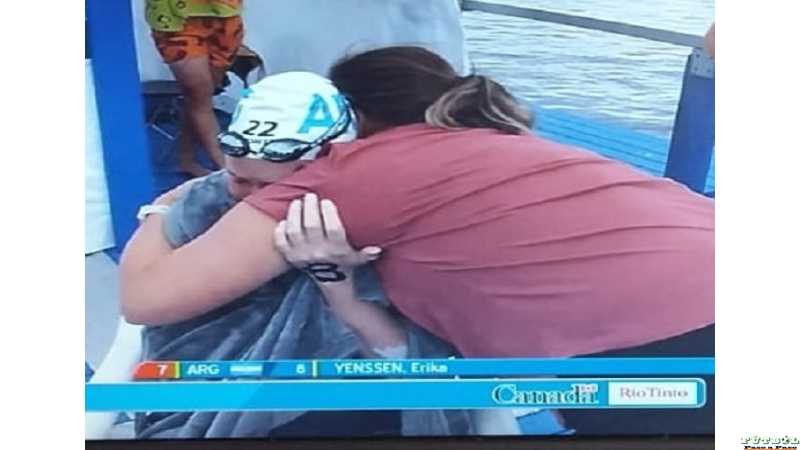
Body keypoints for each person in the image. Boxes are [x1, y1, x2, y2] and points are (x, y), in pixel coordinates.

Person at [120, 46, 714, 434]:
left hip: (655, 350)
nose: (240, 190)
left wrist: (158, 211)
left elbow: (148, 297)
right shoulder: (510, 143)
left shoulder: (341, 173)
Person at [145, 0, 244, 176]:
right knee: (200, 98)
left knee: (199, 98)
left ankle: (187, 159)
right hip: (176, 20)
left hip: (225, 15)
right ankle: (229, 173)